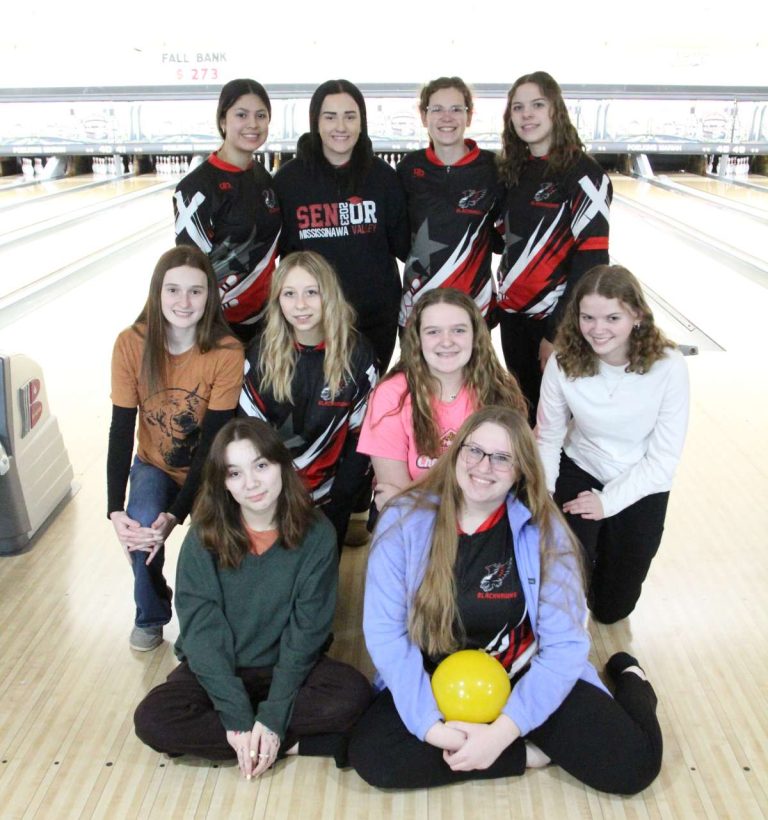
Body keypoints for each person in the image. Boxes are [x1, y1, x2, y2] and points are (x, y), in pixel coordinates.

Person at [348, 406, 663, 793]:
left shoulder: (548, 534)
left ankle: (632, 682)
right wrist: (431, 728)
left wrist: (502, 731)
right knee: (372, 756)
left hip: (522, 674)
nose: (484, 466)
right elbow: (386, 633)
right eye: (475, 451)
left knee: (634, 767)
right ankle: (527, 755)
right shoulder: (403, 521)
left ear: (521, 470)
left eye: (502, 458)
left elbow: (565, 645)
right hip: (437, 680)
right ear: (457, 452)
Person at [133, 418, 372, 776]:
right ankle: (284, 744)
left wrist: (273, 715)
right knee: (153, 719)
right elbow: (202, 634)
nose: (252, 483)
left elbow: (306, 632)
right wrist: (238, 717)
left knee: (353, 694)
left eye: (261, 465)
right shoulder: (204, 537)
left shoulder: (317, 533)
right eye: (235, 473)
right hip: (220, 668)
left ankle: (256, 739)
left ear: (281, 465)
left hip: (287, 667)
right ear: (223, 483)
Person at [107, 245, 244, 652]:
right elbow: (119, 429)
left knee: (206, 548)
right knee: (141, 526)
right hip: (155, 464)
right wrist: (115, 509)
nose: (184, 302)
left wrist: (177, 513)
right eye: (173, 290)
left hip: (211, 470)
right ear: (157, 293)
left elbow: (214, 442)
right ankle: (150, 614)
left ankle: (202, 627)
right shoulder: (130, 344)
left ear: (210, 296)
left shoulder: (226, 351)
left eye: (196, 292)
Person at [536, 264, 689, 624]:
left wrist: (607, 503)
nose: (597, 329)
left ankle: (605, 553)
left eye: (612, 317)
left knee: (610, 611)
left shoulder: (668, 367)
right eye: (587, 317)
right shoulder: (564, 361)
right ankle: (586, 551)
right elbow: (548, 435)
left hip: (642, 479)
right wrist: (542, 494)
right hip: (581, 466)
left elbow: (663, 461)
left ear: (636, 315)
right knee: (563, 576)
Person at [238, 250, 377, 549]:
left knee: (322, 585)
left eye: (311, 292)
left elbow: (361, 437)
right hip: (273, 496)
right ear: (277, 300)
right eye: (289, 294)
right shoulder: (259, 355)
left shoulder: (358, 355)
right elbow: (251, 438)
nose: (300, 305)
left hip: (331, 498)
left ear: (329, 295)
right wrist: (271, 495)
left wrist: (341, 498)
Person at [496, 71, 612, 420]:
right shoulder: (514, 172)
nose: (526, 114)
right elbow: (503, 241)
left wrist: (557, 333)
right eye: (518, 107)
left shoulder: (584, 174)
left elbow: (592, 264)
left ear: (555, 111)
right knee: (527, 412)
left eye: (537, 105)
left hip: (554, 322)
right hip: (512, 318)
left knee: (557, 423)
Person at [273, 79, 409, 372]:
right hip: (309, 321)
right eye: (330, 116)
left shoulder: (383, 178)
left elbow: (403, 247)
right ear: (316, 122)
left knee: (365, 409)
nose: (341, 126)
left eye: (350, 116)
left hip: (373, 321)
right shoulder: (288, 181)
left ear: (362, 122)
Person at [358, 288, 525, 510]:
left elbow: (505, 482)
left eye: (458, 330)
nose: (446, 342)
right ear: (417, 340)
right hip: (413, 523)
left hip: (480, 518)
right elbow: (395, 494)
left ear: (475, 336)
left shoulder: (500, 391)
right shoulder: (391, 395)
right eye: (433, 332)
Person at [174, 78, 282, 342]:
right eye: (241, 115)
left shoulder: (263, 177)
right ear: (223, 121)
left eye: (261, 115)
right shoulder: (195, 188)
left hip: (267, 322)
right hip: (218, 327)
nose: (253, 124)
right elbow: (189, 268)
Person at [398, 76, 502, 327]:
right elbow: (398, 240)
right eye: (437, 109)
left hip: (474, 309)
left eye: (456, 109)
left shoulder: (493, 169)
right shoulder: (408, 169)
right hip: (418, 309)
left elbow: (502, 239)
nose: (447, 117)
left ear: (469, 116)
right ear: (424, 117)